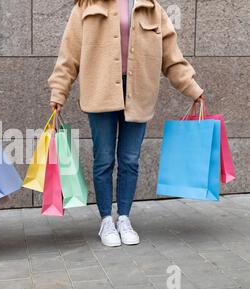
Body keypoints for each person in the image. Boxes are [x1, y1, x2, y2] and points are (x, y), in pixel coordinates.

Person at [48, 0, 204, 247]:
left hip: (139, 92)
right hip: (100, 92)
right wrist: (59, 92)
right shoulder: (87, 6)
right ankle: (105, 220)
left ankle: (124, 217)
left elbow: (171, 57)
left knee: (130, 159)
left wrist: (192, 88)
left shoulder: (151, 8)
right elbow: (69, 55)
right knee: (104, 159)